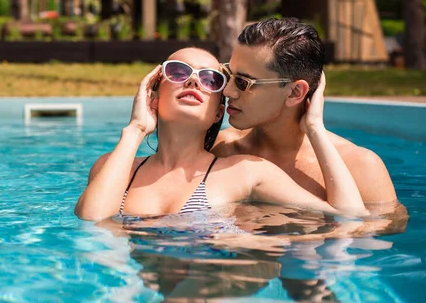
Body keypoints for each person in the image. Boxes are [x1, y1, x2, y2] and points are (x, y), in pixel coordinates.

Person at [74, 47, 367, 221]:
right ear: (153, 93)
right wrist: (135, 129)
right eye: (177, 71)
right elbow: (92, 223)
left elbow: (348, 217)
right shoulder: (113, 169)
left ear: (219, 111)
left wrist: (315, 128)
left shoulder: (246, 172)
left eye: (210, 78)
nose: (192, 80)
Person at [211, 18, 402, 216]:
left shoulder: (361, 166)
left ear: (294, 93)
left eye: (242, 82)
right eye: (228, 74)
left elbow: (383, 232)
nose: (227, 91)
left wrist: (315, 129)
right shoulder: (221, 149)